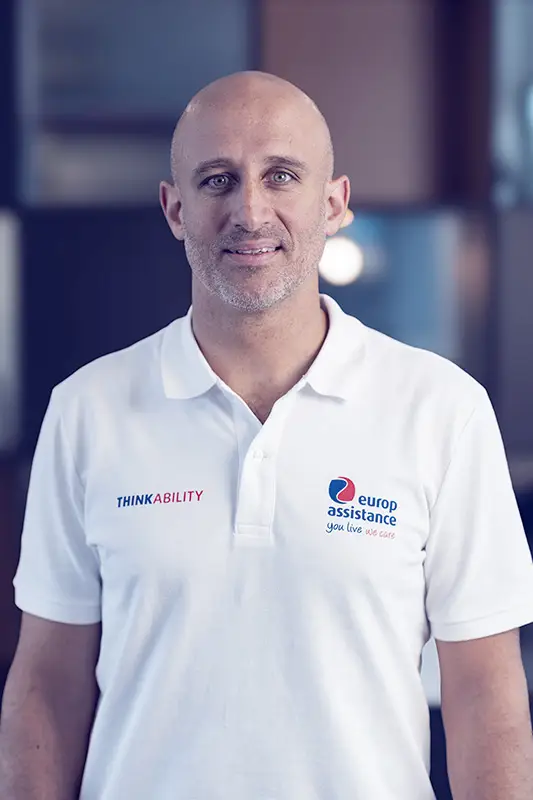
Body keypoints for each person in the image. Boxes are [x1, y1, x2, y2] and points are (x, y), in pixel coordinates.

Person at [1, 71, 533, 800]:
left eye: (280, 175)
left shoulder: (441, 410)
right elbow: (47, 681)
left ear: (333, 202)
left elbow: (484, 692)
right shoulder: (87, 410)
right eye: (217, 180)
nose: (249, 211)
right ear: (175, 208)